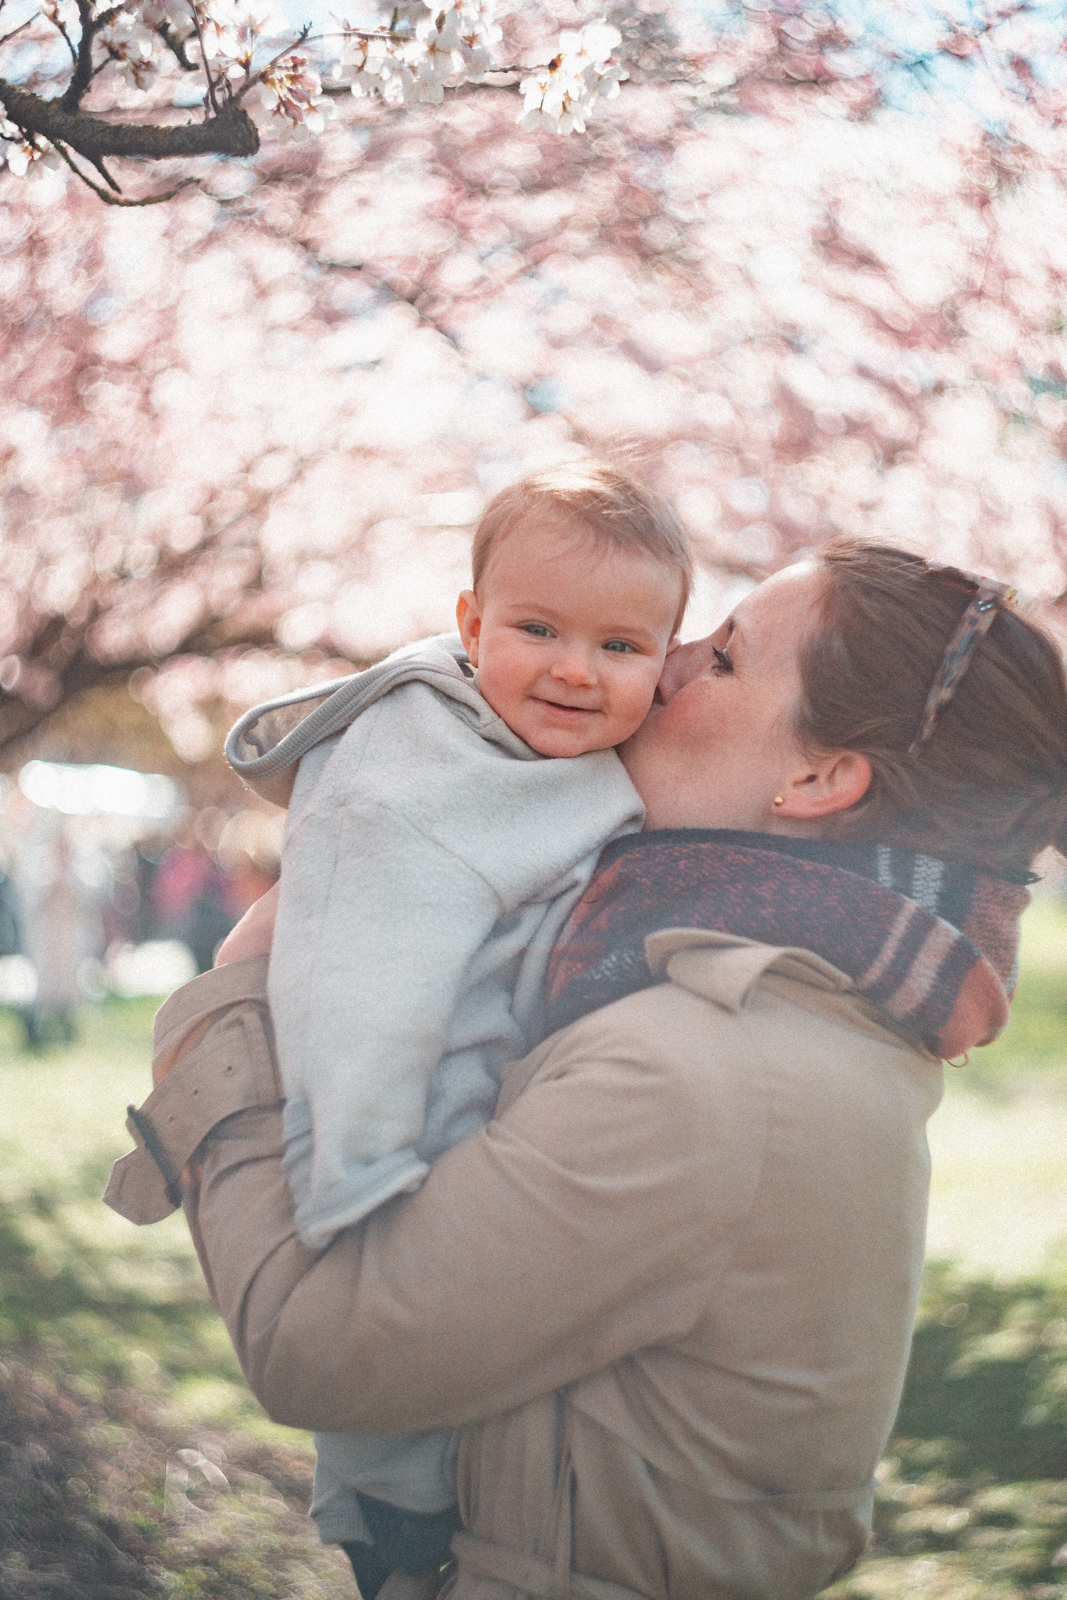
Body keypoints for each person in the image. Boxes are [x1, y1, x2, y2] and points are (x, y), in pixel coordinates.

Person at [106, 538, 1067, 1600]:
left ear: (818, 776)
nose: (659, 663)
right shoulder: (799, 1009)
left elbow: (314, 1341)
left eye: (723, 658)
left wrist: (231, 1000)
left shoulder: (697, 1065)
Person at [215, 461, 691, 1574]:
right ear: (470, 624)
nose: (575, 670)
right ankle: (388, 1524)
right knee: (397, 1434)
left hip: (490, 1120)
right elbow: (352, 983)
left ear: (664, 663)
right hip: (389, 1140)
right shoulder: (408, 778)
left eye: (620, 648)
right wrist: (361, 1171)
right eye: (538, 629)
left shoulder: (541, 755)